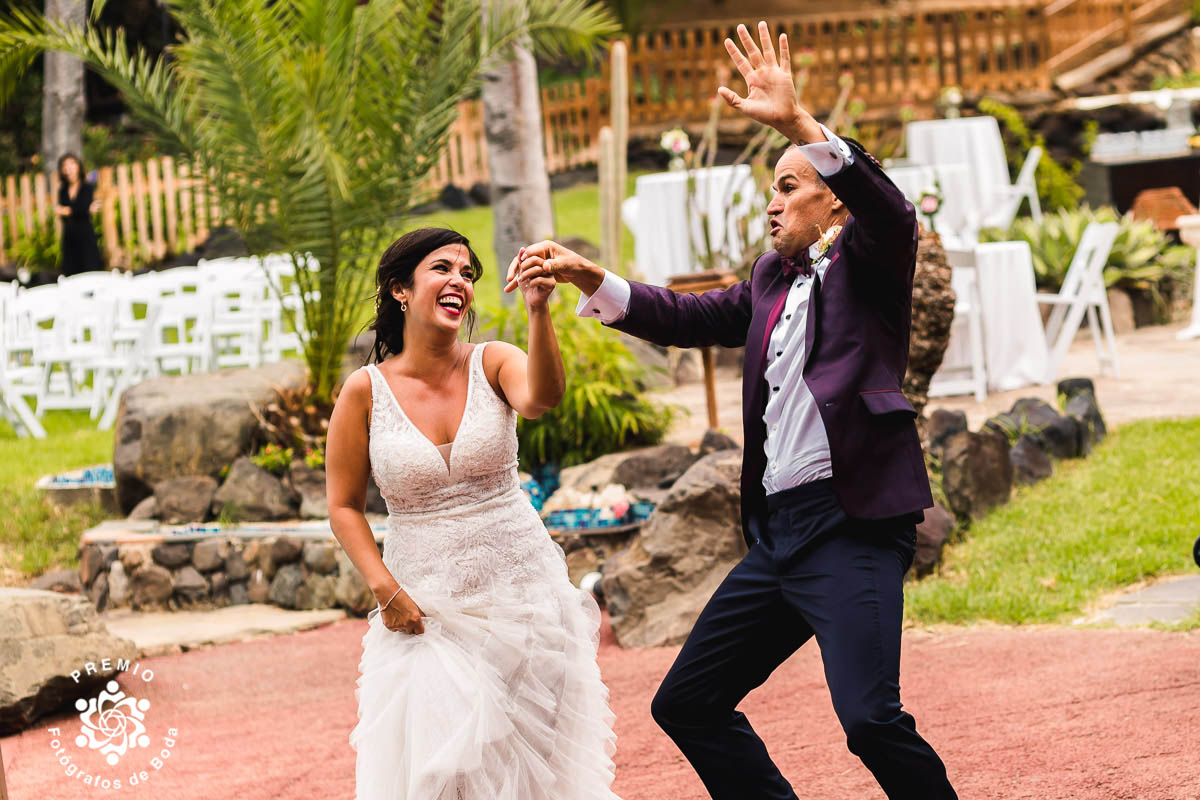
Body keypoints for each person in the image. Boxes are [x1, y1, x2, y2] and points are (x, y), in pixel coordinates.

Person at [506, 21, 958, 800]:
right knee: (688, 703)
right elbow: (683, 317)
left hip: (850, 524)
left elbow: (890, 207)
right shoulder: (768, 282)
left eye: (789, 186)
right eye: (772, 188)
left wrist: (795, 125)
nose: (773, 203)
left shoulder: (871, 258)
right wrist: (588, 275)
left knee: (870, 720)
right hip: (779, 534)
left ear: (833, 203)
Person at [324, 227, 622, 800]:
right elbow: (342, 506)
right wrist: (384, 588)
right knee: (444, 773)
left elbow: (541, 398)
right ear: (400, 291)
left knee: (536, 770)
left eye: (467, 273)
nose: (459, 280)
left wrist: (538, 311)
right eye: (442, 268)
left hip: (524, 596)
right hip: (426, 606)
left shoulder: (494, 361)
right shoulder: (363, 391)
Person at [54, 154, 104, 276]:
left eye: (72, 164)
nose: (68, 168)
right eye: (65, 165)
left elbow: (85, 208)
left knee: (90, 270)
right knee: (71, 272)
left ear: (78, 166)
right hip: (69, 236)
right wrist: (81, 210)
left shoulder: (87, 187)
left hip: (85, 235)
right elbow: (83, 209)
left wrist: (69, 211)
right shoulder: (63, 190)